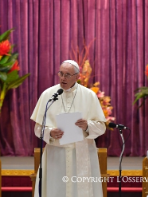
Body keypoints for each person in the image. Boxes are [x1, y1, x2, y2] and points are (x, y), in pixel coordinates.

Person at [31, 60, 106, 197]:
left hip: (82, 154)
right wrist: (50, 132)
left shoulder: (89, 96)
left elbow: (101, 128)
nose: (63, 78)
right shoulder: (48, 95)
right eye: (61, 74)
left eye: (67, 75)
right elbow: (37, 128)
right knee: (55, 190)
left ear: (77, 77)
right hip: (56, 154)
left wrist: (87, 126)